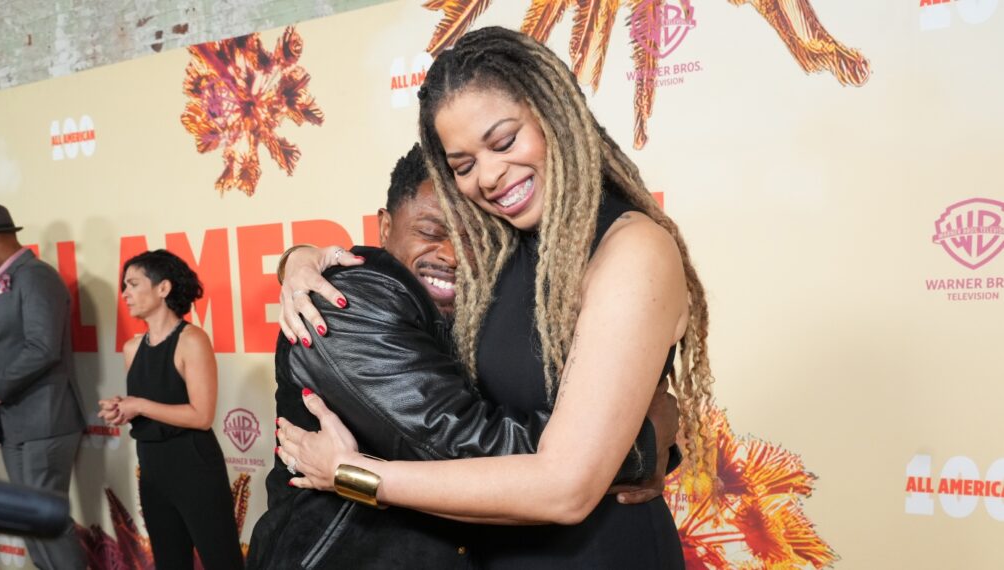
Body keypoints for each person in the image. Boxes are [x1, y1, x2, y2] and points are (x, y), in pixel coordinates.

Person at [276, 27, 714, 568]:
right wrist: (297, 258)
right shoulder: (501, 251)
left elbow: (565, 487)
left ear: (554, 116)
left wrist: (352, 475)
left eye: (503, 141)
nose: (488, 175)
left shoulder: (631, 250)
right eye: (462, 165)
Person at [248, 144, 680, 568]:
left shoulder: (475, 311)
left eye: (471, 237)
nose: (452, 255)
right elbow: (462, 449)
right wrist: (635, 444)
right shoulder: (343, 303)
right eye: (430, 231)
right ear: (384, 226)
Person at [98, 250, 243, 570]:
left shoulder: (192, 340)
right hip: (152, 469)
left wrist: (140, 405)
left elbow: (202, 416)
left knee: (223, 561)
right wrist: (123, 408)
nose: (125, 293)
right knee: (168, 562)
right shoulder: (132, 348)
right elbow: (149, 406)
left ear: (163, 288)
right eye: (124, 285)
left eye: (133, 284)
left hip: (194, 466)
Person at [0, 203, 87, 570]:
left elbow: (42, 347)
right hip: (17, 423)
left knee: (47, 523)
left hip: (43, 421)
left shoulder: (35, 276)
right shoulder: (5, 282)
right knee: (32, 524)